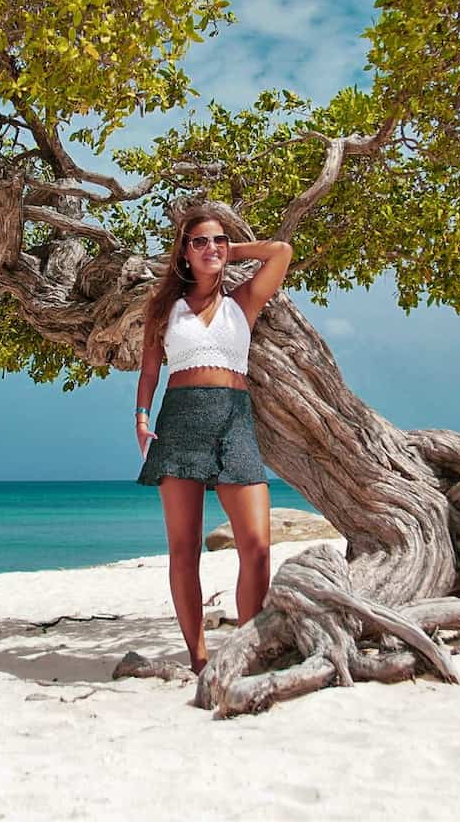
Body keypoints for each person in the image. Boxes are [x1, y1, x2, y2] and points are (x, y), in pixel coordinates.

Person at [133, 205, 293, 674]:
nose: (212, 248)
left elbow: (281, 252)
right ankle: (200, 658)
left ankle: (250, 649)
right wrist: (141, 415)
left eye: (218, 241)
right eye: (199, 242)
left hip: (233, 421)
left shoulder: (243, 301)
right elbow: (149, 370)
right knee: (184, 551)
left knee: (257, 546)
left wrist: (226, 250)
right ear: (183, 253)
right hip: (179, 422)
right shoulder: (164, 308)